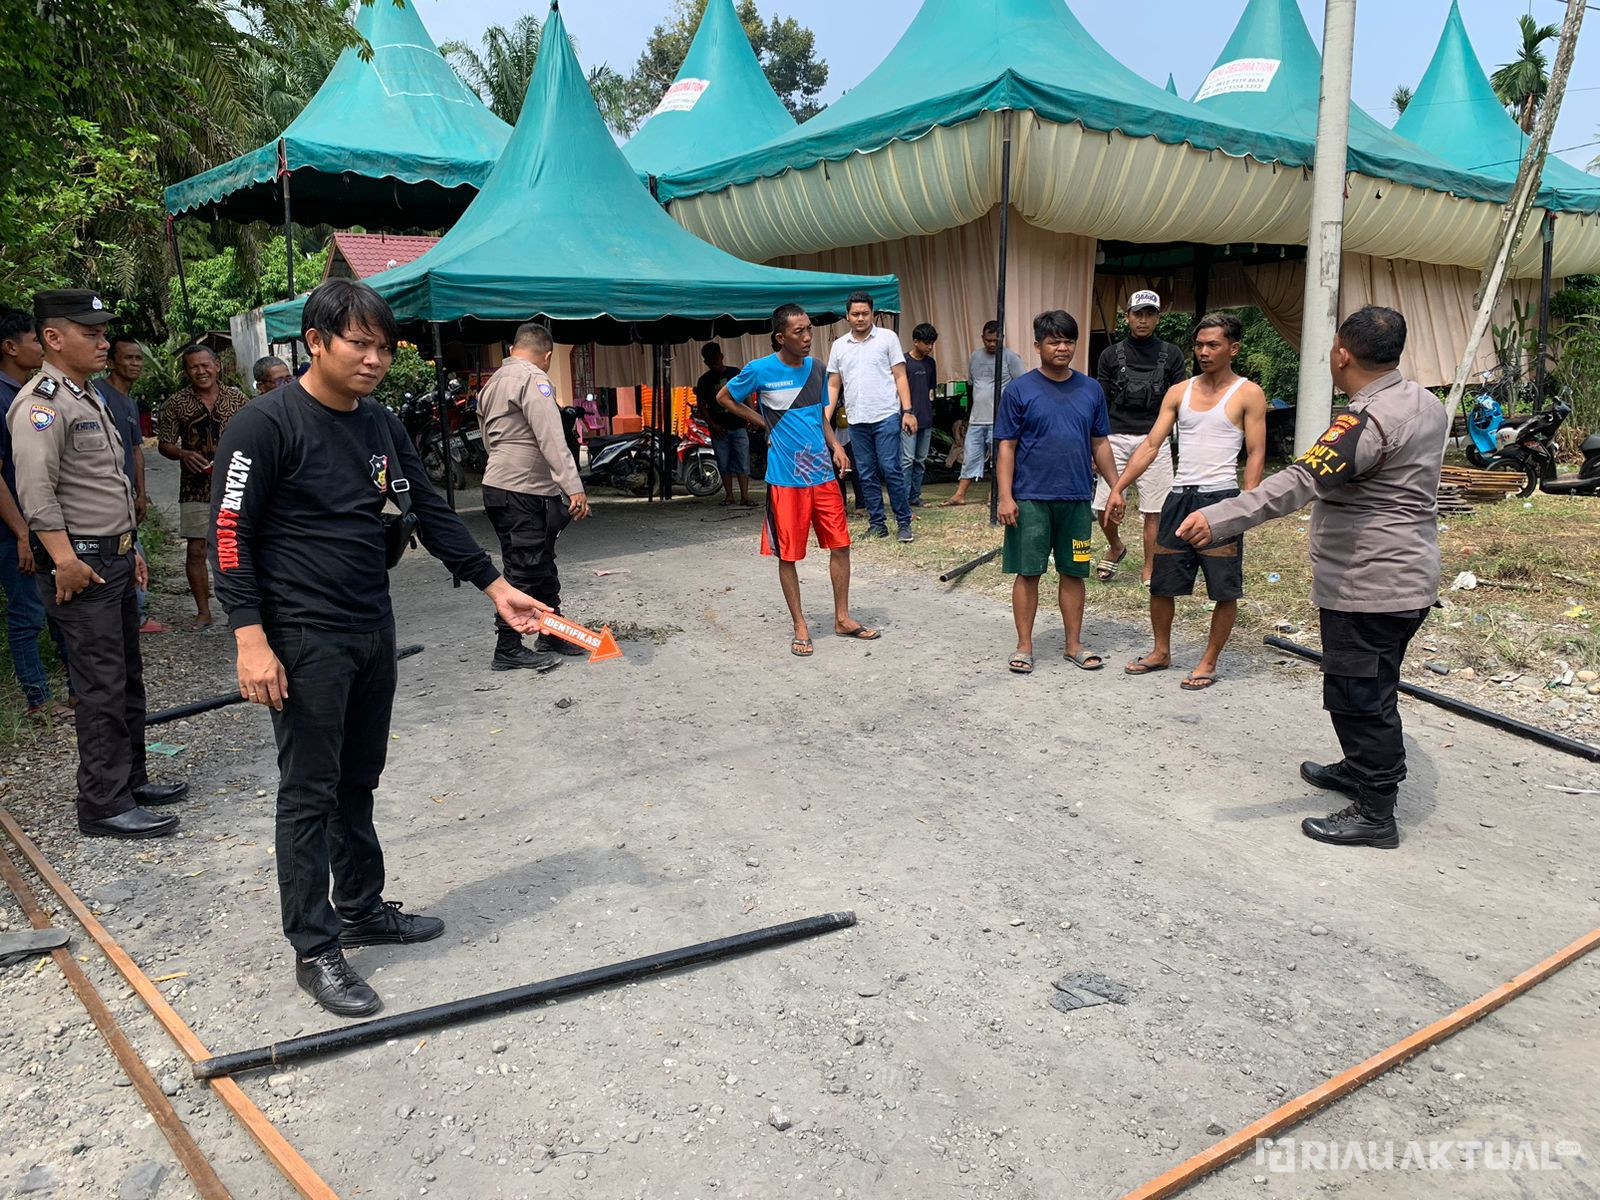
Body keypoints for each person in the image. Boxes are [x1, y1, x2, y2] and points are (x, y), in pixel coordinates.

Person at [211, 279, 552, 1016]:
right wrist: (249, 639)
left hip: (372, 625)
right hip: (302, 637)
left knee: (357, 778)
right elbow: (229, 534)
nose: (373, 359)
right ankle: (315, 946)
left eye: (383, 347)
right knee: (308, 791)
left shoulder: (380, 425)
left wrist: (496, 587)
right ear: (316, 343)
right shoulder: (263, 426)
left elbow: (427, 510)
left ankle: (361, 907)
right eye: (358, 344)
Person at [1175, 307, 1447, 850]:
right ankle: (1358, 767)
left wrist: (1221, 517)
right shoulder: (1425, 402)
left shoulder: (1364, 421)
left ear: (1342, 354)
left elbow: (1301, 481)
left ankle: (1375, 811)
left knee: (1357, 695)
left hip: (1367, 585)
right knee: (1374, 682)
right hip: (1409, 575)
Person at [8, 290, 188, 838]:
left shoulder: (89, 397)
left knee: (127, 675)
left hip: (108, 558)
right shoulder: (42, 404)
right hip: (78, 565)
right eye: (91, 333)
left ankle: (130, 779)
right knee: (100, 684)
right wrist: (63, 559)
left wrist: (129, 547)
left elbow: (104, 487)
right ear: (54, 338)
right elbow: (36, 492)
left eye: (103, 331)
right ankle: (103, 804)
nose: (104, 341)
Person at [1107, 313, 1266, 690]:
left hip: (1220, 498)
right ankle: (1161, 651)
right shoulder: (1180, 391)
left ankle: (1209, 660)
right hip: (1178, 496)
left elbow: (1256, 453)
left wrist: (1248, 505)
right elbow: (1151, 444)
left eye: (1213, 345)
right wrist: (1119, 487)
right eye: (1199, 345)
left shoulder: (1248, 393)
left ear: (1233, 348)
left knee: (1223, 588)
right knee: (1162, 582)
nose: (1204, 352)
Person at [718, 304, 879, 657]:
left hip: (822, 475)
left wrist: (836, 446)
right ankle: (800, 624)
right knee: (789, 554)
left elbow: (819, 417)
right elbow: (725, 397)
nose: (807, 338)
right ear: (780, 337)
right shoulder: (759, 370)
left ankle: (842, 617)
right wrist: (763, 423)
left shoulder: (817, 368)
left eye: (809, 330)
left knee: (841, 545)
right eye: (798, 332)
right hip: (785, 481)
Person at [995, 310, 1117, 675]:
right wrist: (1005, 495)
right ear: (1037, 346)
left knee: (1074, 571)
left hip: (1076, 497)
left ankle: (1073, 645)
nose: (1063, 347)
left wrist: (1117, 487)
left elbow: (1100, 443)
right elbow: (1006, 447)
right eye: (1054, 341)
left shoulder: (1090, 389)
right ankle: (1024, 645)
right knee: (1028, 572)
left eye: (1069, 341)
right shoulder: (1018, 390)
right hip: (1030, 497)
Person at [477, 321, 589, 670]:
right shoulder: (533, 379)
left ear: (512, 349)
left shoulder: (492, 382)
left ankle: (551, 631)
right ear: (548, 356)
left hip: (499, 483)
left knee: (539, 560)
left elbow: (486, 438)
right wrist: (573, 485)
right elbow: (551, 437)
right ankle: (508, 647)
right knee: (524, 566)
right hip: (523, 488)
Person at [0, 305, 70, 718]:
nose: (39, 347)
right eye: (32, 340)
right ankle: (37, 700)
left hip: (29, 528)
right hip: (15, 531)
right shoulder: (6, 397)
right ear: (10, 347)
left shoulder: (24, 391)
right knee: (26, 614)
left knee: (46, 608)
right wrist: (23, 532)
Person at [1093, 290, 1188, 584]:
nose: (1143, 320)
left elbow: (1181, 400)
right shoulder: (1110, 355)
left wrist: (1176, 444)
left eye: (1149, 314)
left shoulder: (1171, 354)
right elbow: (1100, 403)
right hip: (1114, 437)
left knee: (1154, 509)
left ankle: (1150, 567)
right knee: (1102, 506)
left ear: (1158, 318)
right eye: (1138, 314)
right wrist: (1093, 448)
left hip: (1154, 440)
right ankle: (1116, 546)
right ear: (1127, 317)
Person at [157, 344, 248, 628]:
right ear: (187, 372)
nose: (201, 371)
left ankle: (242, 610)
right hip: (195, 486)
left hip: (235, 484)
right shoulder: (175, 403)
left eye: (205, 365)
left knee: (237, 547)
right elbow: (164, 444)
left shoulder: (238, 399)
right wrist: (183, 454)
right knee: (197, 549)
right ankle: (203, 611)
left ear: (217, 366)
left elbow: (254, 436)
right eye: (194, 367)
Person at [826, 291, 915, 542]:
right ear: (847, 316)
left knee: (890, 468)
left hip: (886, 415)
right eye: (855, 314)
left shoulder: (887, 338)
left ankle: (903, 521)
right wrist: (824, 419)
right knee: (865, 473)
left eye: (865, 313)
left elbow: (900, 375)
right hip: (856, 419)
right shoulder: (839, 346)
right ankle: (877, 524)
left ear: (873, 314)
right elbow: (834, 384)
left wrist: (907, 411)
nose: (861, 318)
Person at [100, 334, 167, 634]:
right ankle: (132, 617)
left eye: (138, 358)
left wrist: (142, 493)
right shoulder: (98, 396)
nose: (135, 363)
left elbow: (136, 450)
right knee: (126, 555)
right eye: (128, 358)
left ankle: (133, 616)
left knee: (134, 553)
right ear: (111, 362)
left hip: (127, 496)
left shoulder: (129, 402)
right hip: (105, 497)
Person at [942, 320, 1025, 507]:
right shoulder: (975, 356)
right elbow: (972, 385)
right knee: (970, 456)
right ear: (982, 338)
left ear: (1002, 338)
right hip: (977, 418)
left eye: (996, 340)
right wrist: (967, 414)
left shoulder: (1010, 357)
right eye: (988, 340)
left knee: (999, 459)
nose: (992, 344)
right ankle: (960, 494)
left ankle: (994, 495)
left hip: (1000, 419)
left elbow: (1022, 386)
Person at [694, 344, 750, 506]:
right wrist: (712, 424)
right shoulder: (704, 380)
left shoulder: (735, 373)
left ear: (721, 356)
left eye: (715, 359)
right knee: (724, 462)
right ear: (706, 362)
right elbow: (701, 405)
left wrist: (751, 417)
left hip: (738, 425)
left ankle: (744, 496)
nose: (714, 363)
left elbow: (746, 395)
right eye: (711, 361)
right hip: (719, 428)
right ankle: (730, 496)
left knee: (742, 460)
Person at [901, 324, 939, 507]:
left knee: (920, 460)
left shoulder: (931, 363)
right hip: (907, 418)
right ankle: (903, 497)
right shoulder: (903, 362)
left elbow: (931, 390)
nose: (929, 347)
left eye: (932, 343)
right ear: (915, 341)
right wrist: (904, 414)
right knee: (907, 460)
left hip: (926, 418)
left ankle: (914, 496)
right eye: (926, 343)